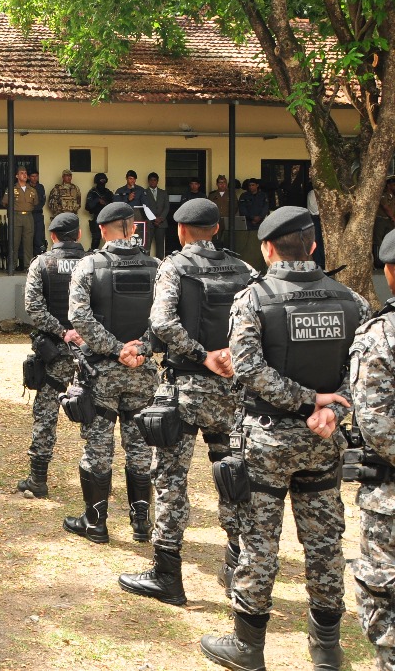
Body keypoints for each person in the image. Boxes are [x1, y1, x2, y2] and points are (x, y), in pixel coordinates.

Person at [200, 206, 369, 671]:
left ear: (268, 249)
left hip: (268, 441)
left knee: (258, 541)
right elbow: (364, 378)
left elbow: (250, 370)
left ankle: (249, 647)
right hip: (324, 443)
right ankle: (328, 650)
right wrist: (330, 407)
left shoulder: (253, 300)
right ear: (313, 247)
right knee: (325, 544)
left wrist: (306, 399)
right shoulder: (353, 301)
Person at [117, 199, 252, 607]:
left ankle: (167, 575)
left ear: (181, 230)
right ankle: (236, 567)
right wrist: (229, 353)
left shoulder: (174, 266)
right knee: (232, 476)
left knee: (171, 478)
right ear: (216, 229)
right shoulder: (243, 268)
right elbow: (257, 319)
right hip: (230, 392)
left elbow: (162, 321)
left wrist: (200, 354)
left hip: (186, 389)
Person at [63, 202, 159, 546]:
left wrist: (116, 348)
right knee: (140, 449)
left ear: (102, 230)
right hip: (142, 373)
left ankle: (96, 523)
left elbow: (79, 318)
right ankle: (141, 523)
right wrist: (141, 349)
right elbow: (165, 320)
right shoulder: (156, 267)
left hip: (101, 372)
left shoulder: (90, 265)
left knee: (98, 448)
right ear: (133, 229)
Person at [348, 229, 395, 671]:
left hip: (390, 501)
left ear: (389, 273)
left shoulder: (380, 336)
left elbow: (376, 426)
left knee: (383, 593)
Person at [17, 213, 86, 498]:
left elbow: (33, 307)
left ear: (53, 236)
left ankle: (38, 479)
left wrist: (61, 332)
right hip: (90, 352)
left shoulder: (42, 263)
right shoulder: (94, 262)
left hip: (54, 352)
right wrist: (82, 334)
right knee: (97, 416)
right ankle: (96, 481)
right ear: (79, 235)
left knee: (46, 413)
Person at [3, 166, 40, 271]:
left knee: (28, 242)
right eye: (22, 173)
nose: (24, 175)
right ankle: (12, 266)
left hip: (28, 216)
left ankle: (28, 266)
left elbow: (36, 203)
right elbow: (5, 202)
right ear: (17, 176)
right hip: (16, 216)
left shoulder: (32, 190)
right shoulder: (12, 189)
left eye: (25, 173)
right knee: (14, 242)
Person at [45, 169, 82, 236]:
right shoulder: (57, 189)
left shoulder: (76, 188)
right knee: (61, 236)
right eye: (66, 176)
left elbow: (79, 202)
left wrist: (73, 209)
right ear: (63, 177)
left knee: (72, 236)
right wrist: (60, 212)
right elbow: (51, 204)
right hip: (61, 217)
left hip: (72, 217)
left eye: (70, 176)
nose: (69, 177)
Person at [143, 172, 169, 258]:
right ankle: (146, 264)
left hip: (161, 223)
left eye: (154, 180)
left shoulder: (163, 193)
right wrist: (153, 219)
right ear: (148, 181)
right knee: (146, 246)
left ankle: (160, 266)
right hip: (149, 223)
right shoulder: (144, 193)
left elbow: (166, 207)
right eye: (151, 180)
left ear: (157, 181)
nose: (153, 182)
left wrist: (160, 219)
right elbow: (144, 207)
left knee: (160, 247)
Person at [85, 173, 114, 249]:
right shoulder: (93, 193)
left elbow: (113, 206)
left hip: (108, 218)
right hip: (97, 218)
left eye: (104, 180)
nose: (102, 182)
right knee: (96, 239)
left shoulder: (108, 193)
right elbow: (88, 206)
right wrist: (97, 200)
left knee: (110, 239)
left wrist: (106, 203)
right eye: (101, 180)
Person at [210, 175, 235, 248]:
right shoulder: (212, 195)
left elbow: (235, 207)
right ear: (217, 184)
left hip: (228, 220)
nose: (222, 184)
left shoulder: (231, 194)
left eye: (224, 182)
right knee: (216, 240)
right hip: (216, 221)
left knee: (228, 239)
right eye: (220, 183)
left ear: (226, 184)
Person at [375, 176, 395, 267]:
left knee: (390, 241)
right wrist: (393, 217)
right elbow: (386, 207)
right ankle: (379, 262)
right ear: (388, 185)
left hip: (389, 221)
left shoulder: (393, 196)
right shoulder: (383, 195)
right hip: (381, 220)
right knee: (378, 241)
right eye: (393, 184)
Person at [307, 185, 326, 269]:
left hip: (316, 217)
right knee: (317, 240)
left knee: (320, 241)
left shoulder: (313, 193)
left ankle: (321, 261)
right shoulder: (313, 193)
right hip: (316, 218)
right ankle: (319, 261)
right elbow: (315, 208)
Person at [29, 170, 47, 256]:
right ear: (29, 177)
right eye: (32, 176)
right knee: (28, 238)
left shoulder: (40, 187)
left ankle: (38, 258)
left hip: (38, 215)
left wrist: (35, 207)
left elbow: (42, 201)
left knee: (38, 237)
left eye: (36, 176)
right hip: (29, 214)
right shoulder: (26, 187)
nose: (34, 178)